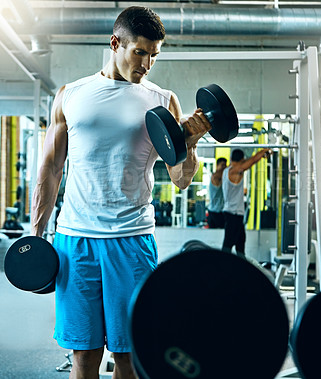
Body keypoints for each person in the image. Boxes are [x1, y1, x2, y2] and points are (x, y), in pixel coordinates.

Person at [30, 6, 211, 379]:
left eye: (154, 56)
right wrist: (35, 234)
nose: (147, 64)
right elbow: (50, 169)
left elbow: (179, 178)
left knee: (130, 353)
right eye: (140, 52)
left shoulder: (163, 100)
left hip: (131, 240)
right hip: (75, 239)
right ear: (116, 44)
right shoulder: (70, 95)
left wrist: (190, 143)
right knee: (83, 354)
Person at [222, 148, 272, 257]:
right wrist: (264, 150)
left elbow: (248, 162)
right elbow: (253, 160)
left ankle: (241, 270)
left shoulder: (227, 170)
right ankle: (221, 269)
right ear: (242, 160)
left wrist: (261, 156)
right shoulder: (235, 171)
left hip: (236, 214)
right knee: (227, 246)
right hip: (233, 214)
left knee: (240, 245)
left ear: (231, 159)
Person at [207, 157, 227, 228]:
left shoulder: (223, 177)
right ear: (217, 165)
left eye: (225, 165)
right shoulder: (215, 176)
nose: (224, 168)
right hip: (214, 212)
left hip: (220, 212)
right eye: (222, 165)